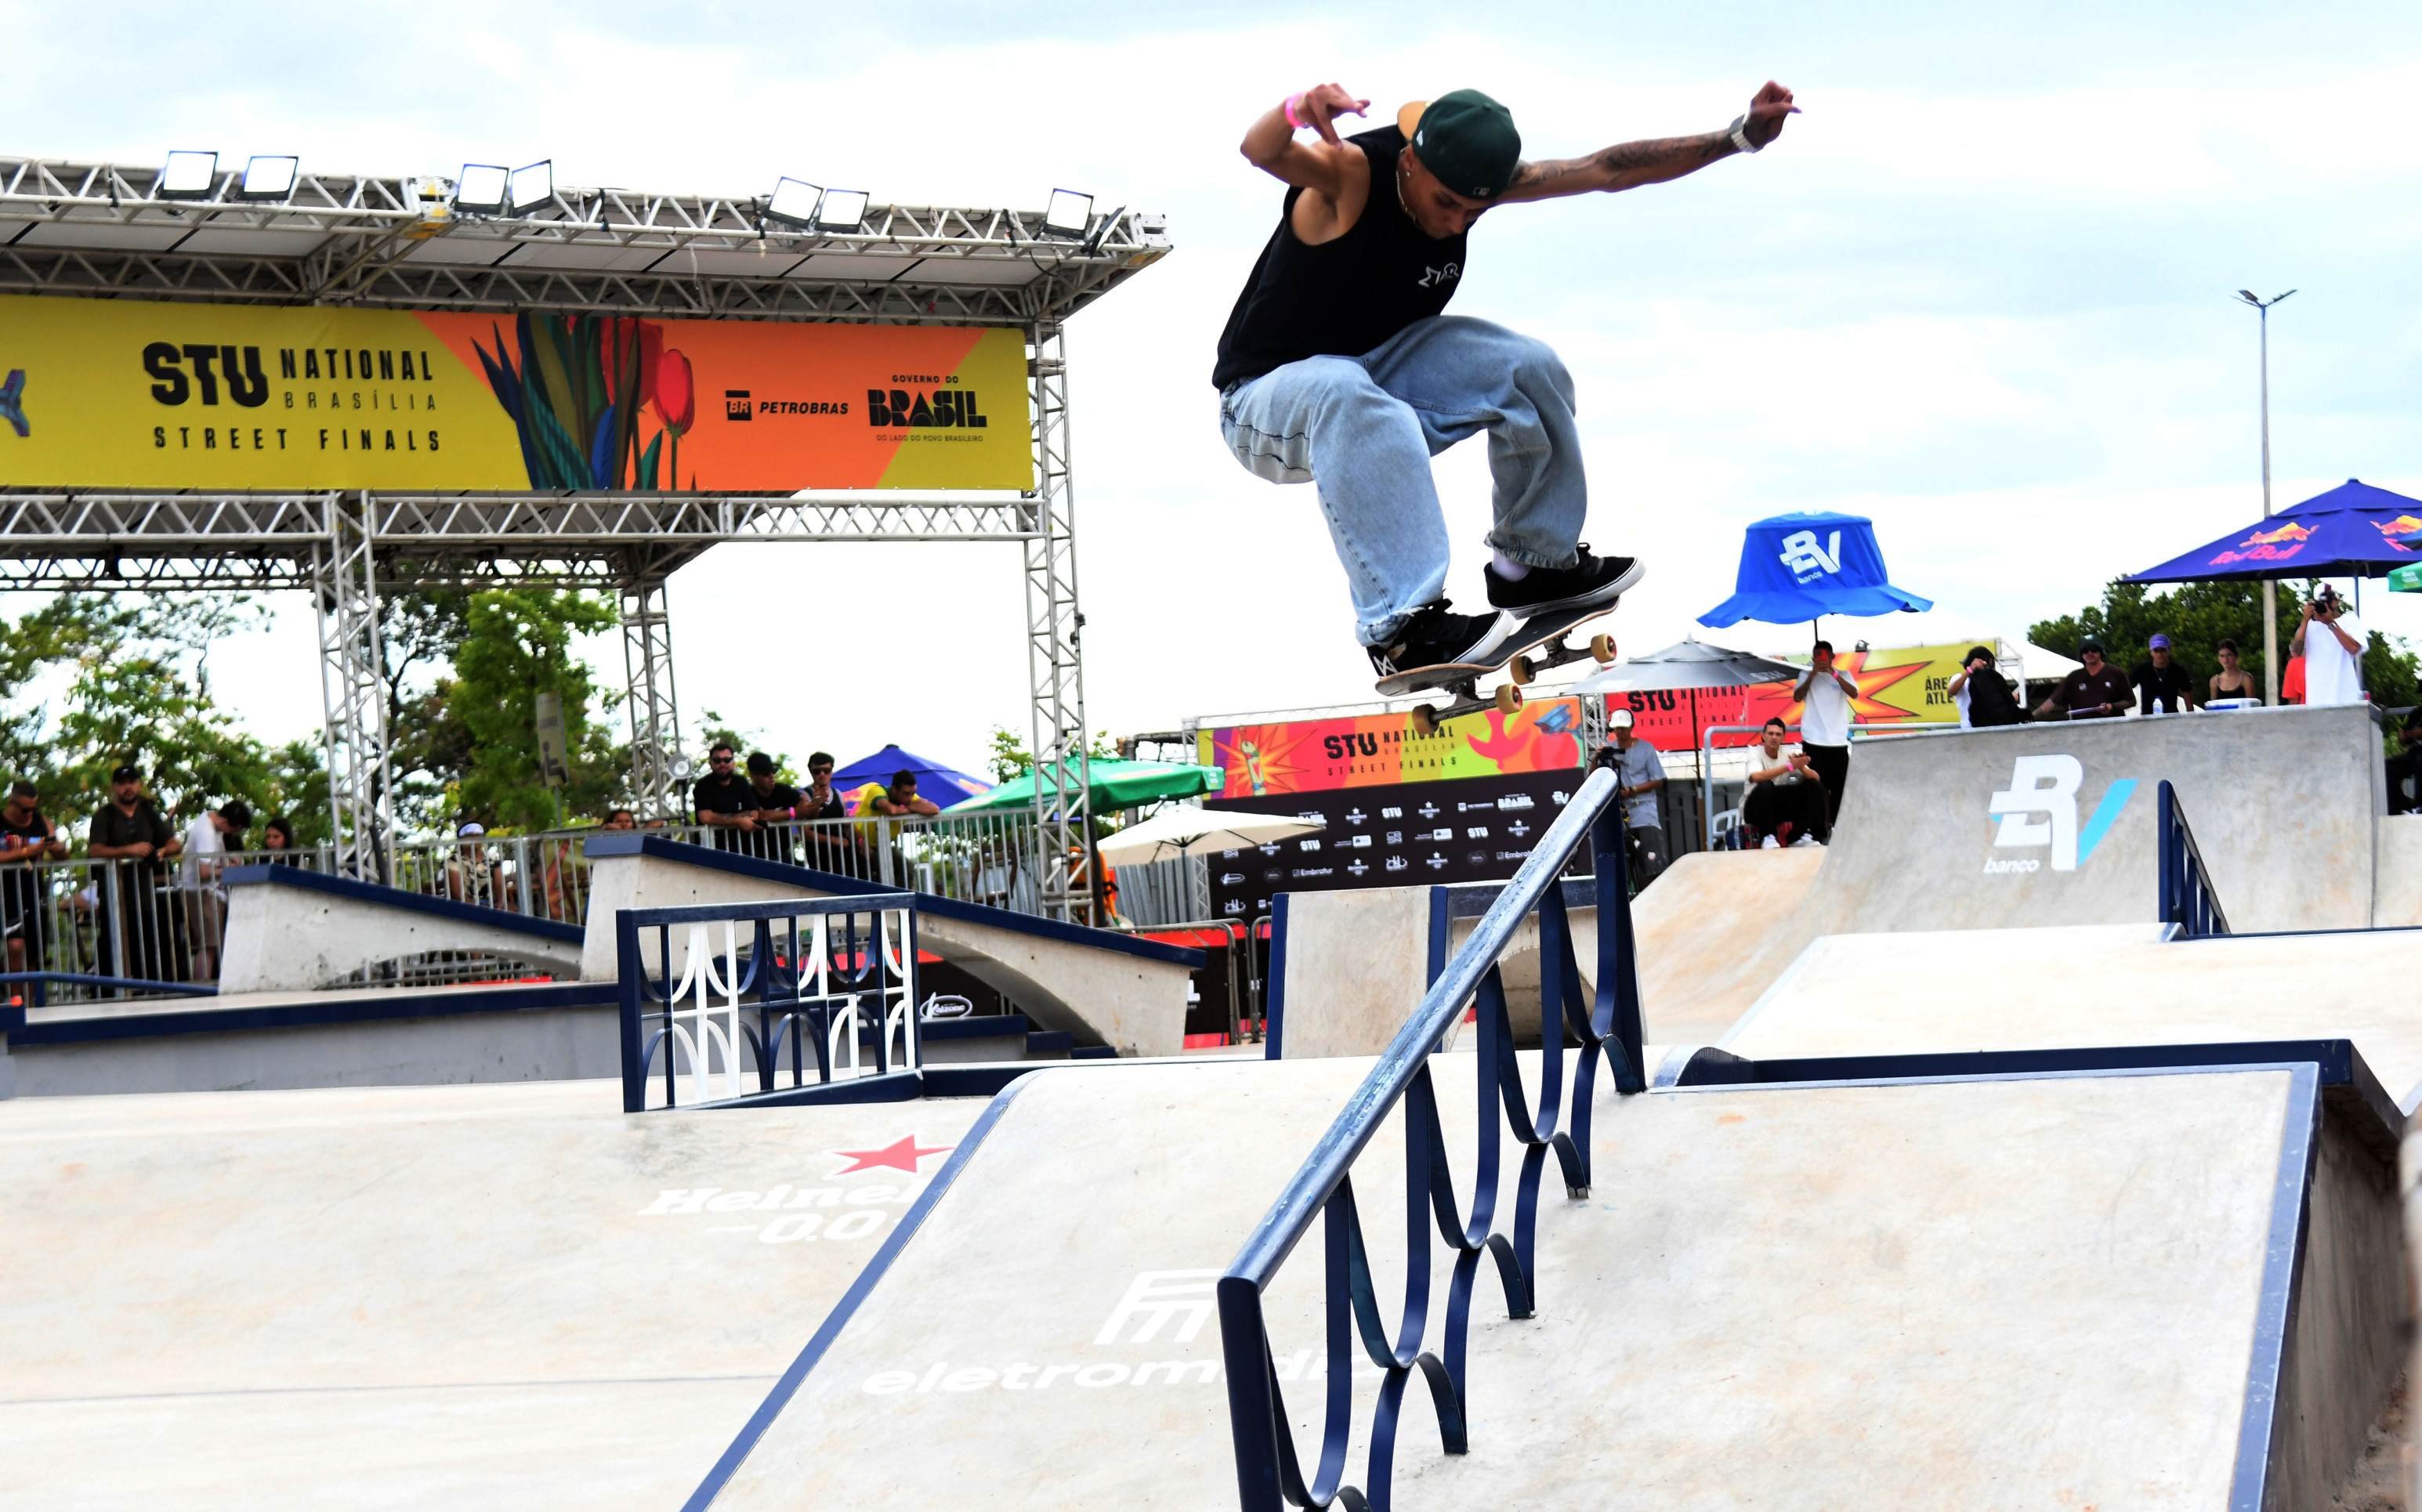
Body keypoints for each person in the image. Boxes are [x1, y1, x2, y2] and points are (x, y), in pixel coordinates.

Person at [1214, 79, 1798, 681]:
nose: (1455, 222)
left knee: (1523, 366)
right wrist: (1292, 111)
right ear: (1411, 163)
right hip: (1266, 404)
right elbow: (1263, 151)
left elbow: (1605, 169)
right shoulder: (1350, 175)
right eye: (1446, 204)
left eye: (1474, 212)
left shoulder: (1471, 184)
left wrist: (1739, 137)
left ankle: (1531, 565)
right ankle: (1400, 629)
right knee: (1343, 390)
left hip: (1377, 372)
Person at [86, 763, 182, 982]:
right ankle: (112, 990)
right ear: (114, 788)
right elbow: (96, 850)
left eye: (131, 783)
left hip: (145, 893)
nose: (127, 788)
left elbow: (175, 844)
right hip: (114, 893)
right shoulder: (104, 815)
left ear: (138, 785)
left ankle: (149, 987)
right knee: (114, 944)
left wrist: (161, 852)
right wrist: (130, 850)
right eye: (122, 784)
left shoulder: (148, 812)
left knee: (149, 943)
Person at [178, 798, 252, 982]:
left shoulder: (211, 821)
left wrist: (227, 862)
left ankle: (205, 984)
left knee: (212, 944)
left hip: (207, 891)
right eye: (234, 830)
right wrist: (230, 870)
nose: (233, 834)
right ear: (226, 822)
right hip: (200, 891)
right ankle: (201, 986)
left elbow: (214, 860)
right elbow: (204, 871)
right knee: (209, 944)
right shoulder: (206, 833)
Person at [0, 780, 67, 975]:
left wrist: (58, 849)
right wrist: (26, 851)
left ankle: (32, 1002)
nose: (29, 814)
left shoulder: (42, 821)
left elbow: (63, 855)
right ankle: (16, 1001)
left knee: (34, 954)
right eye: (24, 810)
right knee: (15, 948)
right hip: (7, 894)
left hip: (35, 891)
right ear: (12, 803)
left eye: (33, 808)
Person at [1793, 641, 1858, 838]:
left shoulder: (1843, 674)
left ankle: (1840, 829)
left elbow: (1854, 693)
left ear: (1832, 657)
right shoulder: (1805, 674)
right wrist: (1812, 674)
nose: (1820, 660)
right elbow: (1797, 697)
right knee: (1815, 787)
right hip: (1813, 739)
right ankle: (1817, 831)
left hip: (1837, 741)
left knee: (1840, 788)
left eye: (1823, 656)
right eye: (1816, 656)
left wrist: (1833, 674)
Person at [1605, 709, 1668, 886]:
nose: (1620, 732)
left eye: (1623, 728)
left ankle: (1653, 898)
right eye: (1617, 729)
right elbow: (1596, 774)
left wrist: (1633, 790)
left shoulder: (1645, 748)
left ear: (1631, 727)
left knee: (1651, 864)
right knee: (1623, 865)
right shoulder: (1609, 749)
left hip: (1644, 813)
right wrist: (1598, 755)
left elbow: (1659, 780)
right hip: (1620, 815)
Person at [1740, 717, 1822, 848]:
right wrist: (1789, 766)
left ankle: (1797, 837)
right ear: (1763, 737)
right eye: (1770, 734)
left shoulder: (1787, 754)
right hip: (1754, 809)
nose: (1774, 737)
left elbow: (1816, 779)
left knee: (1813, 786)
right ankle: (1767, 837)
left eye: (1778, 734)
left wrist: (1800, 766)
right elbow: (1756, 776)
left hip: (1775, 810)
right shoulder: (1754, 752)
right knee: (1766, 785)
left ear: (1783, 738)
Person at [2293, 584, 2365, 707]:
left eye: (2330, 598)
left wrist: (2330, 623)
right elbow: (2295, 652)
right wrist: (2305, 620)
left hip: (2346, 698)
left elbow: (2354, 648)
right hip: (2317, 700)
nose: (2327, 604)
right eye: (2322, 601)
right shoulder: (2310, 625)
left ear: (2337, 600)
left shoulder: (2350, 619)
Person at [2036, 641, 2132, 721]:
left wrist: (2111, 707)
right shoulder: (2073, 677)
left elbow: (2131, 701)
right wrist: (2029, 717)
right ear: (2081, 655)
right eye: (2085, 651)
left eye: (2094, 649)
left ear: (2101, 652)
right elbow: (2049, 704)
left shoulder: (2116, 673)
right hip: (2082, 733)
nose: (2090, 653)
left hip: (2113, 729)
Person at [690, 743, 757, 853]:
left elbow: (754, 813)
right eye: (717, 761)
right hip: (710, 849)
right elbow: (705, 817)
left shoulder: (741, 782)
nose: (722, 764)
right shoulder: (703, 784)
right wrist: (739, 820)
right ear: (710, 763)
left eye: (727, 760)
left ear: (733, 762)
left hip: (740, 848)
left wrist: (720, 818)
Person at [743, 751, 803, 864]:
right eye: (766, 774)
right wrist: (792, 812)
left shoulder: (783, 790)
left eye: (773, 772)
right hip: (754, 856)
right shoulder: (747, 793)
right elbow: (761, 816)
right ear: (753, 776)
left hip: (784, 854)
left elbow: (804, 806)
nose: (771, 776)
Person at [1948, 645, 2026, 729]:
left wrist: (2010, 698)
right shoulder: (1960, 677)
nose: (1988, 668)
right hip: (1970, 730)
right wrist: (1970, 670)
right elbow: (1951, 691)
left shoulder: (1991, 680)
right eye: (1987, 664)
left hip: (1991, 727)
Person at [2129, 634, 2194, 715]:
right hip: (2148, 718)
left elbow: (2187, 693)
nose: (2159, 654)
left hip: (2171, 717)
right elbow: (2127, 687)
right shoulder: (2141, 669)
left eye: (2163, 650)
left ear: (2169, 650)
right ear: (2151, 652)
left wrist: (2191, 716)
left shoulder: (2178, 671)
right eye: (2156, 650)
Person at [864, 771, 941, 819]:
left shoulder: (909, 796)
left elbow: (934, 809)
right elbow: (891, 810)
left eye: (913, 793)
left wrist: (905, 809)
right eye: (906, 793)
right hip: (857, 842)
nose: (910, 798)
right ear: (895, 789)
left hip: (881, 843)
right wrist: (915, 809)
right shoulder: (877, 790)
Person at [2208, 638, 2261, 705]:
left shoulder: (2246, 679)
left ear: (2236, 656)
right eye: (2222, 656)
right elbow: (2213, 707)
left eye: (2229, 655)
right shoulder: (2214, 681)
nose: (2225, 659)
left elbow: (2251, 706)